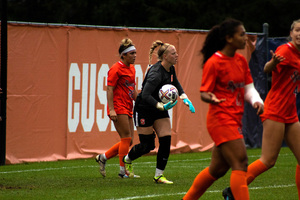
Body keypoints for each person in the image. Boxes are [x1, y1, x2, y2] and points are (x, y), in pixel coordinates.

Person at [182, 18, 264, 200]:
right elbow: (204, 92)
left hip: (234, 119)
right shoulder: (215, 62)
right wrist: (210, 96)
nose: (245, 38)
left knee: (217, 170)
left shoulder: (241, 60)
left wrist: (257, 101)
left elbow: (248, 88)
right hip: (220, 119)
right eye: (241, 34)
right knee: (241, 162)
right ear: (229, 38)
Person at [223, 19, 300, 200]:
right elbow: (266, 68)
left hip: (290, 112)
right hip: (275, 110)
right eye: (297, 30)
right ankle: (233, 190)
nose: (299, 34)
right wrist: (273, 63)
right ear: (291, 33)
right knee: (268, 160)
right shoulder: (285, 50)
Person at [123, 40, 195, 184]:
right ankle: (128, 159)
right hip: (145, 108)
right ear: (165, 56)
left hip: (159, 108)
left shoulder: (171, 69)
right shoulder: (156, 74)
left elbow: (176, 84)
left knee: (166, 140)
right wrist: (160, 106)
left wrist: (185, 98)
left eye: (176, 53)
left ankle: (158, 175)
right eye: (173, 53)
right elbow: (145, 95)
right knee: (147, 146)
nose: (177, 55)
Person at [95, 38, 139, 178]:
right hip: (118, 107)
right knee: (126, 138)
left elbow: (132, 89)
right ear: (124, 55)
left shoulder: (132, 68)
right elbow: (109, 89)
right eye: (131, 53)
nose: (134, 56)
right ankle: (123, 171)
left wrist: (140, 101)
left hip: (128, 105)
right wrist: (112, 109)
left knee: (129, 140)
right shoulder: (115, 69)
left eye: (135, 53)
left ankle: (103, 157)